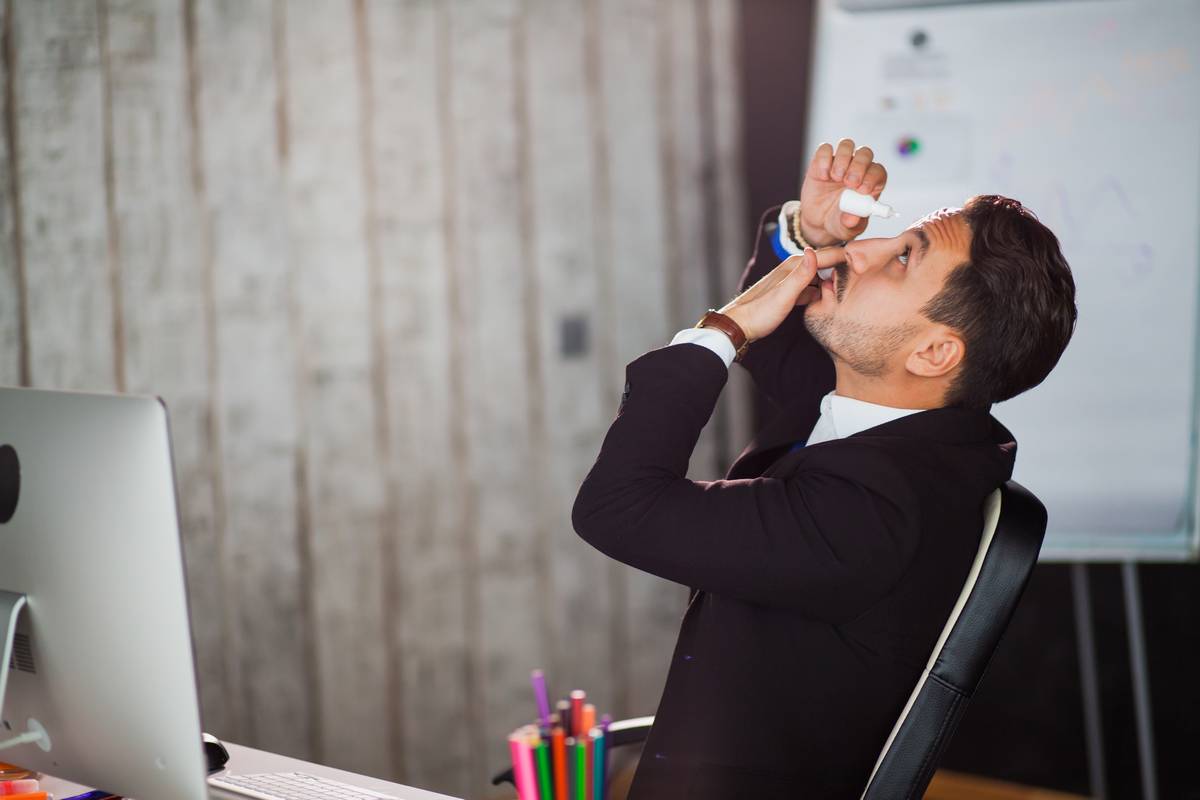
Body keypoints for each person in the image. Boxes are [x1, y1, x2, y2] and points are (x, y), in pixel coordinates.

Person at [571, 138, 1077, 798]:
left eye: (902, 259)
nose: (859, 250)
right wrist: (806, 235)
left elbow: (619, 506)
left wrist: (721, 332)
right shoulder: (919, 432)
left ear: (932, 352)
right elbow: (789, 340)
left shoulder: (868, 517)